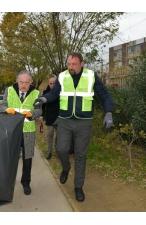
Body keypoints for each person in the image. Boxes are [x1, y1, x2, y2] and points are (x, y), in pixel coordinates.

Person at [34, 52, 113, 202]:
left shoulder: (91, 76)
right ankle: (66, 168)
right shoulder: (62, 76)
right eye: (69, 64)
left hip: (84, 122)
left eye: (74, 64)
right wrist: (43, 99)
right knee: (61, 149)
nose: (70, 67)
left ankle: (78, 187)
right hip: (64, 120)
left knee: (80, 155)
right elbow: (54, 93)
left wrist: (109, 112)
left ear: (82, 64)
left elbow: (104, 95)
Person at [0, 70, 42, 195]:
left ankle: (26, 183)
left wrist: (31, 114)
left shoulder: (36, 93)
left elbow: (39, 111)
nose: (23, 85)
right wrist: (7, 110)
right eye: (21, 82)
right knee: (9, 158)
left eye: (26, 83)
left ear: (31, 82)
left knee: (27, 158)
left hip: (28, 131)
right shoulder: (9, 90)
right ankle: (7, 181)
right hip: (12, 130)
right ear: (16, 81)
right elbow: (2, 105)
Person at [36, 76, 59, 159]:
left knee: (59, 135)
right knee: (50, 134)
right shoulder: (46, 93)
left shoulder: (61, 92)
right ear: (48, 84)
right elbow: (42, 106)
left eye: (54, 83)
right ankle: (49, 151)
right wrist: (41, 116)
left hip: (60, 117)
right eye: (51, 83)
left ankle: (58, 150)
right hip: (50, 117)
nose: (52, 85)